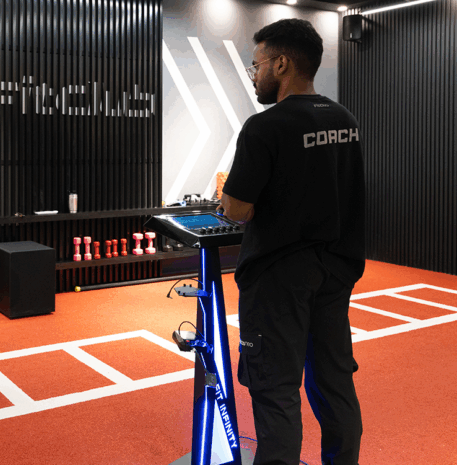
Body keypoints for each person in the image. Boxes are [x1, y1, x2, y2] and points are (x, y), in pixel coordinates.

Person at [217, 19, 365, 465]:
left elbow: (237, 209)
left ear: (281, 64)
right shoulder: (345, 119)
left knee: (275, 389)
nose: (255, 74)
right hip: (335, 272)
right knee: (334, 384)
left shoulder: (265, 127)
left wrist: (229, 201)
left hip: (278, 281)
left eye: (257, 64)